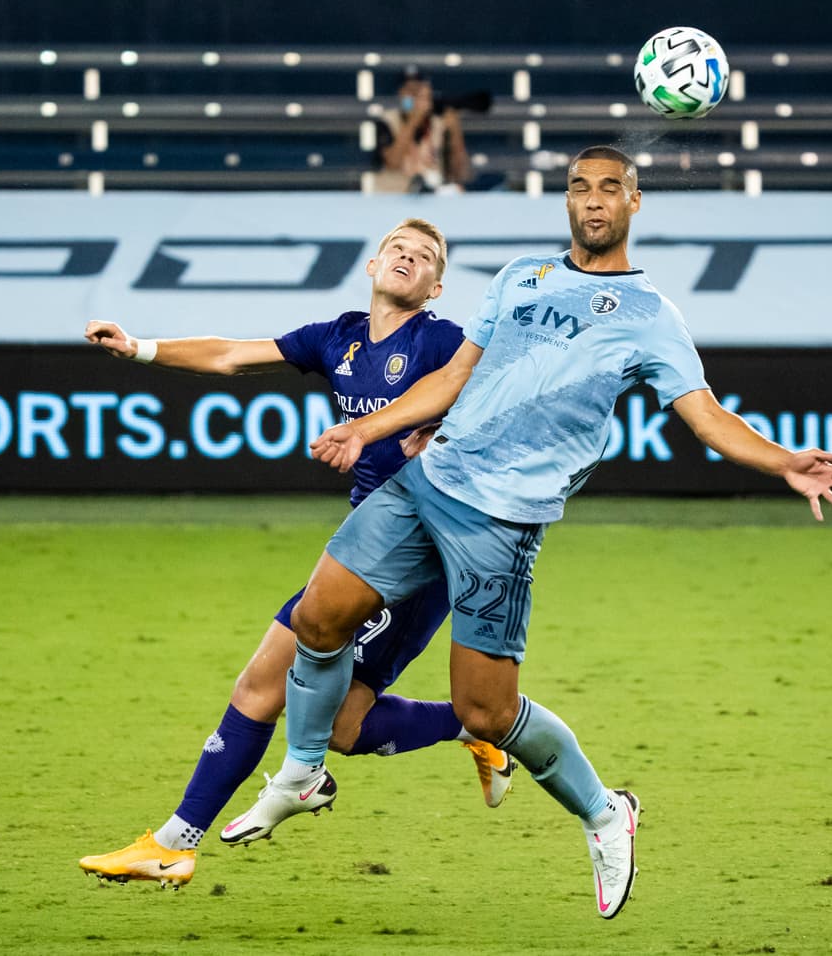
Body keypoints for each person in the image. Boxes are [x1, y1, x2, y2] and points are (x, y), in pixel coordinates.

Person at [259, 146, 832, 919]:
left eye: (610, 188)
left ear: (634, 203)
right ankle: (305, 769)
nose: (592, 201)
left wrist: (785, 461)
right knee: (318, 616)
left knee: (485, 712)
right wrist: (365, 431)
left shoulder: (652, 316)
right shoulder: (523, 276)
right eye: (580, 187)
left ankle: (606, 812)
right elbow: (452, 380)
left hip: (502, 521)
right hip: (428, 480)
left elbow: (705, 414)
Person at [76, 218, 516, 889]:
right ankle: (174, 843)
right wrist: (138, 348)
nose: (409, 257)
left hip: (416, 560)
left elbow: (493, 398)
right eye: (399, 248)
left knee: (302, 699)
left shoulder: (442, 341)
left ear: (435, 287)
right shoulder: (335, 338)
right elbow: (229, 355)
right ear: (373, 265)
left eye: (425, 257)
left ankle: (177, 839)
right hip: (363, 546)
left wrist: (438, 431)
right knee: (314, 711)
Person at [370, 68, 472, 194]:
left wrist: (455, 132)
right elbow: (393, 162)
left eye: (419, 92)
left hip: (431, 196)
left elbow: (460, 173)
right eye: (410, 91)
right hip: (394, 195)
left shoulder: (439, 124)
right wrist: (414, 119)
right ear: (400, 93)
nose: (414, 97)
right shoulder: (387, 120)